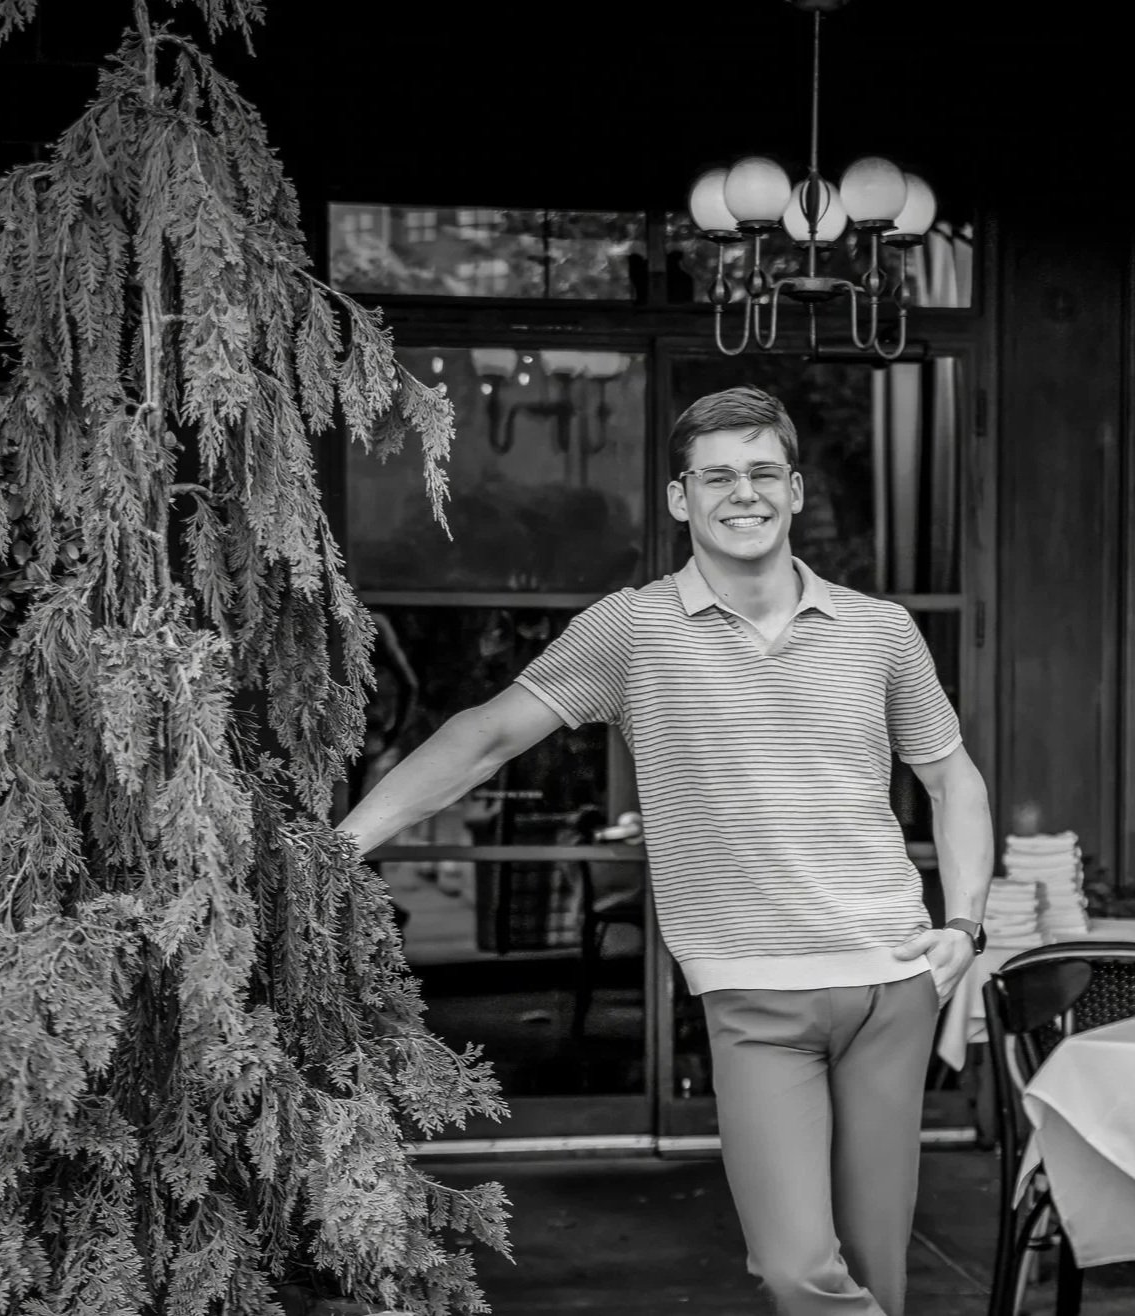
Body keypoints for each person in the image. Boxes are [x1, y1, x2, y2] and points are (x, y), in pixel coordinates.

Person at [339, 385, 995, 1316]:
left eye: (763, 471)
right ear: (681, 498)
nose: (743, 492)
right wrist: (342, 846)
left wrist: (964, 924)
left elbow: (953, 779)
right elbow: (484, 736)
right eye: (716, 476)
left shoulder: (880, 630)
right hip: (754, 990)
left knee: (875, 1266)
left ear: (795, 489)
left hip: (893, 984)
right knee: (797, 1270)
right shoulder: (633, 629)